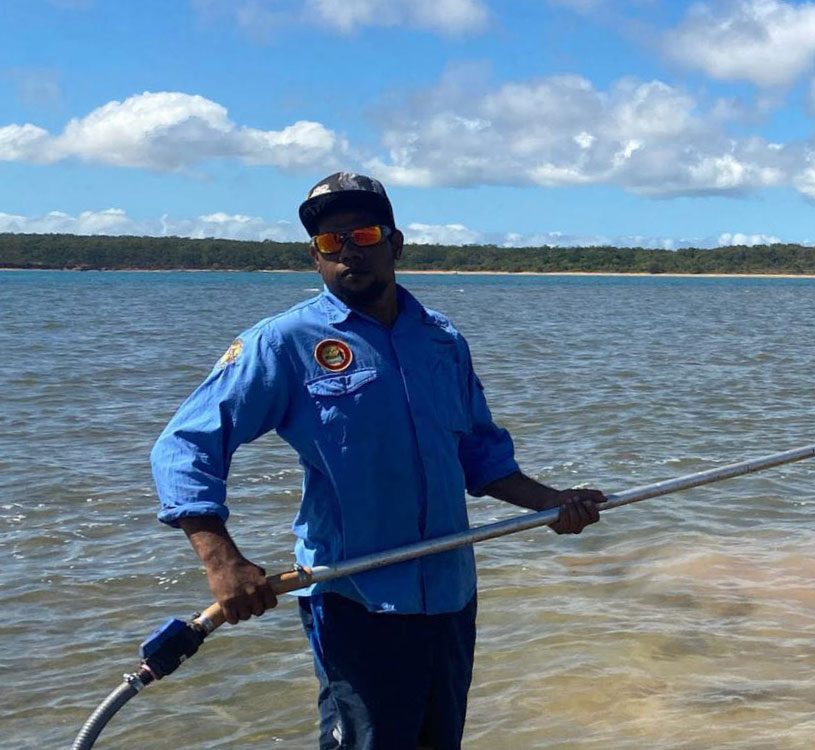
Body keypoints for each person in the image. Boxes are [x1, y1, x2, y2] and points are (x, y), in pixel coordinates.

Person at [150, 171, 605, 749]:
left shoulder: (441, 338)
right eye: (328, 242)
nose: (346, 251)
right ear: (314, 258)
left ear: (394, 243)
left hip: (449, 593)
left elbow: (480, 455)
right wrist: (222, 560)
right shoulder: (282, 342)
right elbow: (185, 445)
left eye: (362, 234)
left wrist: (551, 503)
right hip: (353, 601)